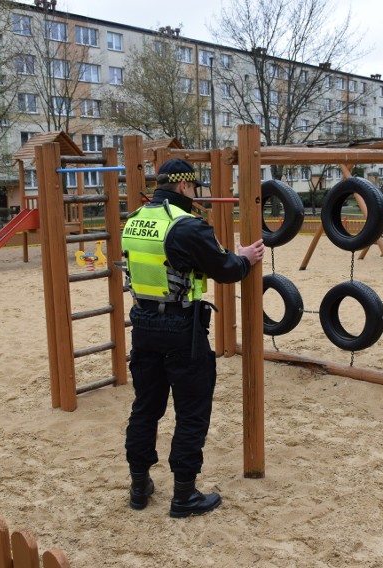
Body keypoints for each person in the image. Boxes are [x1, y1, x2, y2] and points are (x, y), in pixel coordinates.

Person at [120, 158, 264, 518]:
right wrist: (244, 258)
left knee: (145, 407)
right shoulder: (186, 226)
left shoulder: (135, 221)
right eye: (195, 188)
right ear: (185, 186)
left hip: (143, 323)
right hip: (181, 328)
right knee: (191, 412)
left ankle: (140, 486)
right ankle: (183, 495)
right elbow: (226, 270)